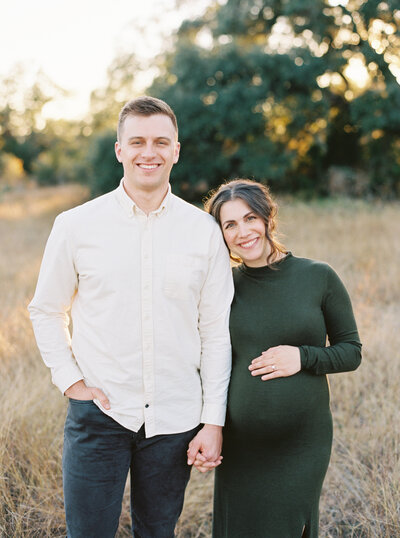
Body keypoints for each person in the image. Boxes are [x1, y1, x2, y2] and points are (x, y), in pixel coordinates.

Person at [28, 96, 234, 538]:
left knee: (158, 533)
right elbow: (46, 310)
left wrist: (213, 421)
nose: (149, 152)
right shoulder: (76, 225)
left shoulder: (204, 232)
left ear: (176, 150)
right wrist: (70, 382)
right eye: (137, 141)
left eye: (161, 142)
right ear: (120, 150)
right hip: (100, 414)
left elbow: (216, 332)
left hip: (176, 418)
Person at [204, 179, 362, 538]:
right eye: (230, 225)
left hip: (301, 442)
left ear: (267, 218)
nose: (243, 232)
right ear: (221, 235)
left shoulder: (317, 276)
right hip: (241, 445)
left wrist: (302, 357)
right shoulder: (222, 287)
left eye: (249, 219)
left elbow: (351, 351)